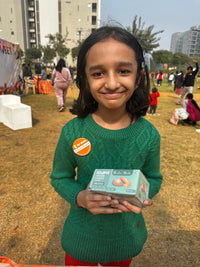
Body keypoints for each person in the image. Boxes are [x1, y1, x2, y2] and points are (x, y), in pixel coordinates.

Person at [50, 26, 163, 266]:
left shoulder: (148, 135)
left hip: (124, 240)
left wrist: (143, 194)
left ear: (139, 75)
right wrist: (79, 197)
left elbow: (154, 177)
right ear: (84, 79)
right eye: (98, 73)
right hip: (81, 240)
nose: (112, 83)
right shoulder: (73, 132)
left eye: (123, 70)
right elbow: (60, 177)